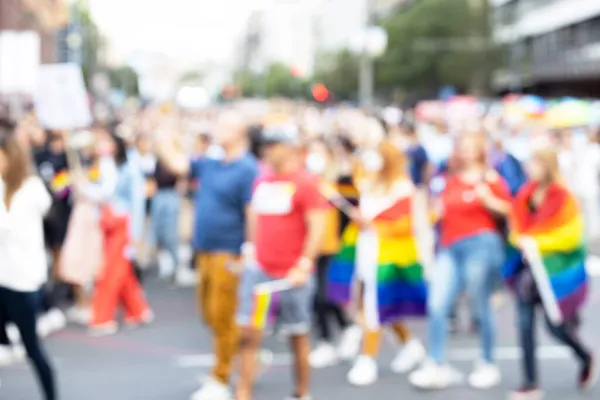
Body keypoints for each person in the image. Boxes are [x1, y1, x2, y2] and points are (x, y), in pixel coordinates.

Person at [159, 112, 258, 400]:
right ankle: (242, 358)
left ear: (240, 131)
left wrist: (248, 250)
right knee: (210, 315)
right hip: (204, 250)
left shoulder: (247, 169)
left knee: (223, 316)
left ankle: (222, 377)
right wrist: (164, 135)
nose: (217, 129)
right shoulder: (211, 163)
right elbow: (178, 165)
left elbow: (251, 211)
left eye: (225, 125)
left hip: (228, 251)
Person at [410, 132, 511, 390]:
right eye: (461, 147)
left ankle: (487, 361)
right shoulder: (447, 180)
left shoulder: (490, 179)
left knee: (480, 304)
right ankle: (437, 363)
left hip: (481, 244)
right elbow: (436, 212)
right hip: (449, 246)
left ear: (479, 151)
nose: (465, 152)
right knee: (437, 303)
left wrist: (487, 198)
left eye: (470, 147)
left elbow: (509, 209)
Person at [235, 123, 326, 400]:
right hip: (260, 270)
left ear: (289, 148)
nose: (267, 151)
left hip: (290, 276)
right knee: (249, 334)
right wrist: (249, 249)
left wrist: (304, 263)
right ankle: (243, 392)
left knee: (297, 336)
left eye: (273, 145)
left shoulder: (306, 183)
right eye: (266, 146)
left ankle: (301, 392)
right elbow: (254, 216)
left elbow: (317, 226)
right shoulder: (262, 180)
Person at [329, 140, 429, 386]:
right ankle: (410, 345)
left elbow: (404, 224)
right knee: (372, 304)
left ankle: (368, 359)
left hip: (390, 257)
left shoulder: (401, 187)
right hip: (366, 252)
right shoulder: (369, 183)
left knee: (373, 306)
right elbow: (338, 183)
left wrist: (372, 224)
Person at [503, 148, 596, 399]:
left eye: (535, 162)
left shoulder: (564, 197)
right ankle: (530, 381)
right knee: (523, 325)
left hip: (553, 273)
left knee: (557, 327)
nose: (529, 167)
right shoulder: (525, 195)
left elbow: (571, 235)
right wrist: (521, 240)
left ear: (547, 165)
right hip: (528, 272)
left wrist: (536, 242)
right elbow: (515, 227)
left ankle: (585, 356)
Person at [0, 130, 57, 400]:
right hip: (4, 276)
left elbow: (10, 228)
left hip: (22, 279)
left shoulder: (30, 189)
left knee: (33, 348)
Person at [78, 131, 152, 335]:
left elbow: (133, 200)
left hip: (122, 225)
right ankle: (138, 310)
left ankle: (103, 317)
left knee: (111, 272)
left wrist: (136, 234)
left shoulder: (128, 167)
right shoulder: (105, 164)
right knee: (121, 270)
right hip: (108, 224)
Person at [304, 139, 359, 369]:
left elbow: (354, 209)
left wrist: (336, 195)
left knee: (324, 295)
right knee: (319, 296)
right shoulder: (306, 182)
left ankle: (336, 335)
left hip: (335, 246)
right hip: (312, 246)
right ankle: (338, 332)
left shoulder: (340, 181)